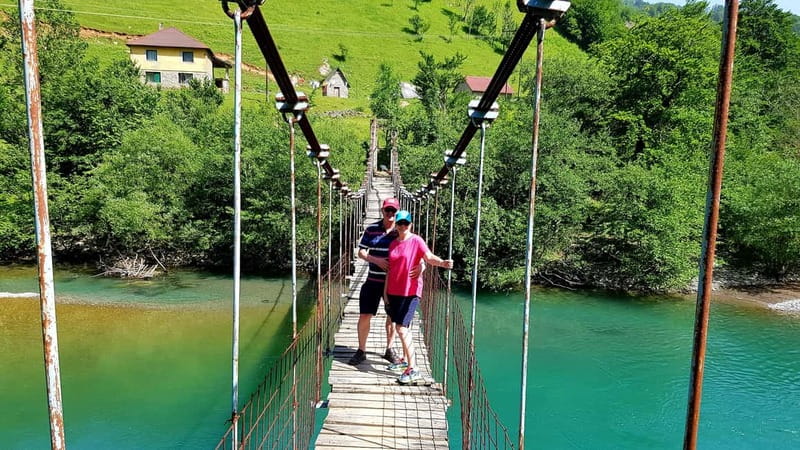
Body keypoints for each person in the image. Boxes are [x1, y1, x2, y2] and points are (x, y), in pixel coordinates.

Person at [348, 198, 422, 366]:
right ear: (382, 211)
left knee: (392, 318)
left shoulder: (402, 229)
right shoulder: (371, 229)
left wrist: (422, 266)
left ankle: (389, 349)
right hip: (373, 280)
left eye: (393, 211)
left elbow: (418, 249)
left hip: (395, 284)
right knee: (365, 314)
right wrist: (376, 260)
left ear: (397, 213)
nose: (390, 214)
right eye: (387, 211)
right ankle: (361, 350)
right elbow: (361, 252)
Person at [385, 210, 453, 384]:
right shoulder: (392, 244)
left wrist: (442, 263)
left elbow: (428, 257)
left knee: (401, 328)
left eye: (406, 223)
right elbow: (391, 270)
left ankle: (413, 369)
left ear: (411, 224)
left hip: (410, 291)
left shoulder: (416, 241)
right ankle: (405, 360)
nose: (402, 227)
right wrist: (385, 293)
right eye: (399, 223)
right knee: (400, 326)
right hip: (394, 291)